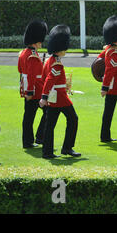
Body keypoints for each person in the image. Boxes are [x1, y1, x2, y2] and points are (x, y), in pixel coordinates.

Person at [40, 25, 80, 159]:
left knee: (50, 125)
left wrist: (64, 85)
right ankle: (67, 148)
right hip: (59, 98)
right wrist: (44, 97)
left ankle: (47, 152)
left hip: (54, 97)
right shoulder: (56, 63)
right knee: (73, 119)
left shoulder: (49, 60)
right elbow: (49, 81)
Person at [18, 20, 48, 149]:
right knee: (48, 112)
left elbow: (20, 70)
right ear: (36, 41)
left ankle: (28, 141)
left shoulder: (23, 53)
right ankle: (40, 137)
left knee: (29, 116)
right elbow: (31, 76)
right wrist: (30, 92)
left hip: (27, 88)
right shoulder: (33, 56)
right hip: (35, 90)